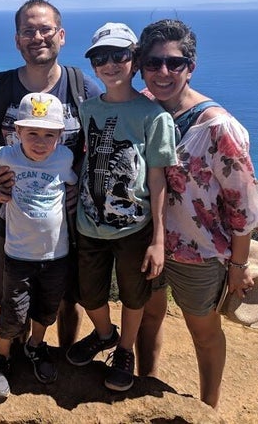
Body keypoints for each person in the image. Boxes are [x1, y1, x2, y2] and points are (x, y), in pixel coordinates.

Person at [134, 19, 258, 408]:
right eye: (153, 62)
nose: (163, 72)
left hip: (201, 252)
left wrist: (239, 264)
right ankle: (147, 390)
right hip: (147, 242)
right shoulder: (141, 108)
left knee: (203, 330)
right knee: (148, 316)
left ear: (190, 67)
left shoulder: (216, 127)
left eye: (174, 63)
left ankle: (208, 408)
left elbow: (242, 204)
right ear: (141, 65)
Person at [0, 0, 102, 347]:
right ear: (17, 40)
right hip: (13, 218)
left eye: (45, 29)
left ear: (61, 35)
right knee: (16, 298)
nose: (37, 37)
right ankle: (13, 357)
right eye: (28, 31)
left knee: (65, 296)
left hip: (69, 223)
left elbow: (105, 147)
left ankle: (59, 355)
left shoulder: (83, 89)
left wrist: (81, 182)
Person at [65, 23, 177, 392]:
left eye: (119, 55)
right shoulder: (88, 109)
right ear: (93, 65)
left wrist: (158, 239)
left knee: (134, 294)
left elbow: (159, 179)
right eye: (100, 57)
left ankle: (125, 350)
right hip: (89, 224)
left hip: (135, 227)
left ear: (135, 60)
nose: (109, 64)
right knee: (89, 294)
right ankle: (104, 333)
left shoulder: (154, 116)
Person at [0, 92, 78, 400]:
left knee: (46, 309)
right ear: (17, 133)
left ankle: (35, 346)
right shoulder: (7, 155)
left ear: (60, 136)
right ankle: (1, 357)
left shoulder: (64, 158)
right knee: (13, 311)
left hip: (56, 255)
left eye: (49, 134)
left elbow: (71, 182)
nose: (40, 141)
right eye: (32, 132)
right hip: (18, 255)